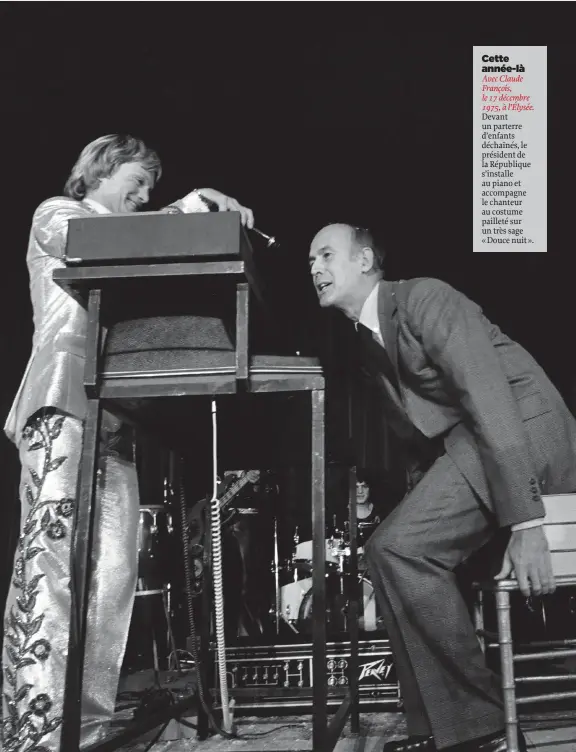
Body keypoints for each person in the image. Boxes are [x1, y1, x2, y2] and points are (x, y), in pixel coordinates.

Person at [2, 133, 254, 752]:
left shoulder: (119, 232)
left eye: (150, 189)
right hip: (62, 405)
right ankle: (34, 731)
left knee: (111, 579)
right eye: (135, 182)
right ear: (99, 169)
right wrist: (197, 202)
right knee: (52, 567)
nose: (144, 197)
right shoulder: (58, 214)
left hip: (115, 420)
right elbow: (109, 245)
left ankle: (83, 725)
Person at [308, 223, 576, 752]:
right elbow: (421, 436)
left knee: (401, 549)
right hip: (477, 447)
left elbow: (490, 396)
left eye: (326, 254)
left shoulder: (424, 297)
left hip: (525, 433)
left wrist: (527, 522)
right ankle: (435, 727)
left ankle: (484, 731)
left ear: (365, 261)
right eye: (309, 262)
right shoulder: (369, 340)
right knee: (384, 552)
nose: (314, 269)